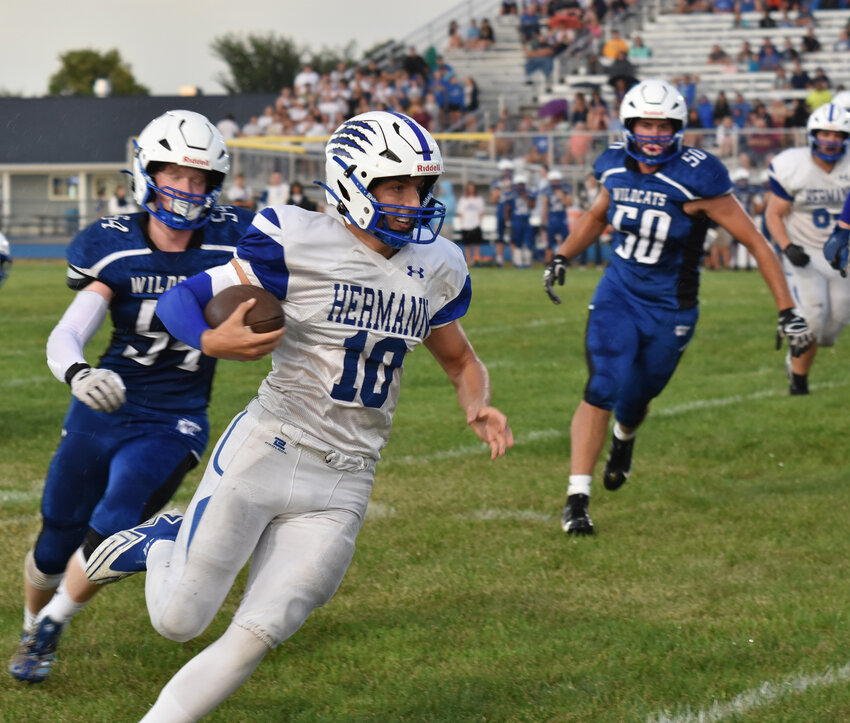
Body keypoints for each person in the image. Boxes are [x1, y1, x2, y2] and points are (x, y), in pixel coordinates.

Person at [84, 110, 513, 720]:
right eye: (395, 186)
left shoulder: (438, 263)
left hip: (347, 477)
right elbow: (185, 298)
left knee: (257, 632)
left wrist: (478, 402)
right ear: (351, 184)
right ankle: (159, 543)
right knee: (178, 620)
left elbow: (459, 358)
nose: (413, 200)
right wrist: (210, 343)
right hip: (271, 444)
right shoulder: (296, 237)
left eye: (421, 186)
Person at [7, 110, 255, 683]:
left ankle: (51, 629)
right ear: (146, 174)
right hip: (106, 403)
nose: (186, 191)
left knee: (113, 521)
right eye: (175, 175)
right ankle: (30, 623)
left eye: (199, 180)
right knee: (56, 536)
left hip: (176, 417)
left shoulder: (233, 239)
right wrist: (77, 373)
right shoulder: (112, 244)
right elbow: (70, 330)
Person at [542, 79, 812, 535]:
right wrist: (562, 255)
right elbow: (597, 214)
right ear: (629, 126)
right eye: (645, 124)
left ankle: (623, 441)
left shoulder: (699, 177)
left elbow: (757, 244)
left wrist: (787, 309)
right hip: (618, 294)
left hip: (672, 308)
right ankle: (576, 498)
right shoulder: (612, 166)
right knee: (603, 382)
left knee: (637, 398)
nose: (652, 135)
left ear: (678, 129)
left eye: (662, 125)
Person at [764, 103, 850, 396]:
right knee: (812, 317)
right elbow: (774, 213)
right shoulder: (793, 165)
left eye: (837, 134)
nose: (830, 140)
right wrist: (787, 247)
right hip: (806, 252)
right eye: (825, 133)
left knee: (833, 326)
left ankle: (801, 364)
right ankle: (798, 381)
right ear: (813, 134)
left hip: (842, 254)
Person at [540, 169, 572, 263]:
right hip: (552, 217)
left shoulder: (565, 190)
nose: (555, 183)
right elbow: (545, 207)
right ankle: (548, 261)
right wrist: (544, 220)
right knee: (550, 242)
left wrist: (562, 196)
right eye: (553, 181)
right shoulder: (547, 191)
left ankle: (564, 260)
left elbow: (569, 203)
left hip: (562, 217)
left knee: (565, 240)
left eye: (556, 180)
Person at [506, 173, 536, 268]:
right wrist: (507, 221)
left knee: (528, 242)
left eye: (522, 184)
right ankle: (518, 262)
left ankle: (527, 262)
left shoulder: (529, 194)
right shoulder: (511, 195)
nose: (520, 187)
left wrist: (525, 197)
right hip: (516, 220)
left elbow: (532, 206)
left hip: (526, 219)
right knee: (516, 242)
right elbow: (507, 208)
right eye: (519, 184)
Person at [490, 159, 515, 267]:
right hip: (501, 209)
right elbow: (494, 199)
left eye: (508, 170)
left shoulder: (515, 182)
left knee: (513, 236)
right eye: (505, 170)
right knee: (500, 236)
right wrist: (500, 188)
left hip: (513, 211)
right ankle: (499, 259)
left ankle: (516, 259)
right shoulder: (497, 183)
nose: (506, 173)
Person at [457, 181, 488, 265]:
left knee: (476, 244)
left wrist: (479, 223)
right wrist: (462, 223)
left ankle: (477, 260)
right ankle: (469, 261)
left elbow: (481, 212)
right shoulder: (463, 199)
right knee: (467, 245)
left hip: (475, 224)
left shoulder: (478, 199)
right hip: (466, 225)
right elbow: (460, 212)